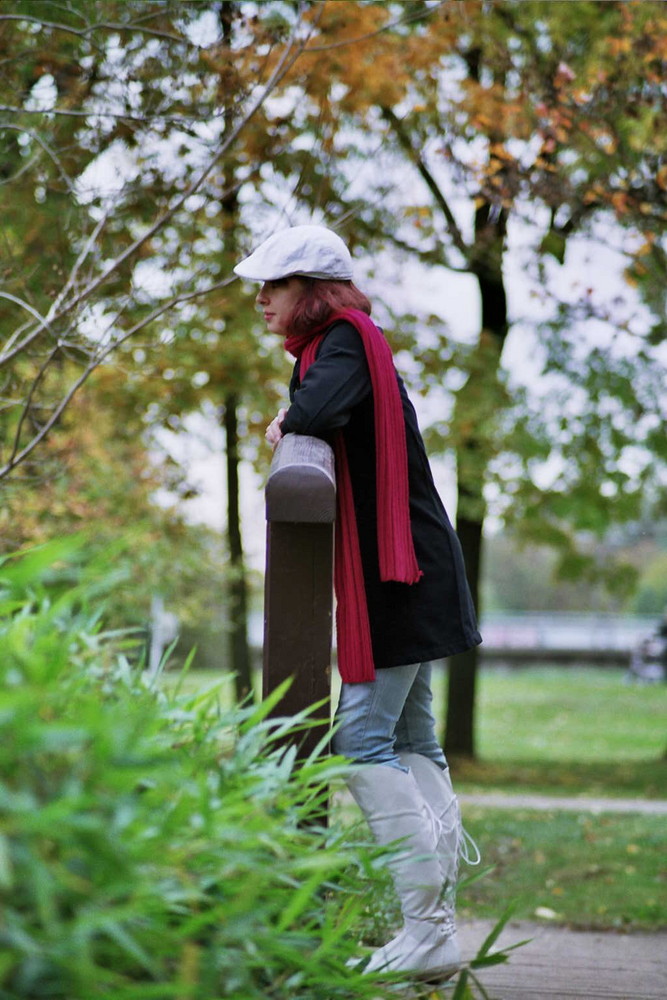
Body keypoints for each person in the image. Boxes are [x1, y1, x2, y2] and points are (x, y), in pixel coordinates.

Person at [234, 225, 482, 981]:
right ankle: (431, 927)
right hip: (412, 570)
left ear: (310, 290)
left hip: (398, 580)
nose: (260, 299)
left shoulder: (341, 344)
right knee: (414, 740)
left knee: (363, 739)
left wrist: (287, 419)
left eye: (272, 287)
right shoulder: (344, 344)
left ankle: (426, 927)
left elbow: (314, 414)